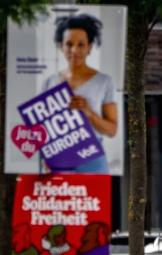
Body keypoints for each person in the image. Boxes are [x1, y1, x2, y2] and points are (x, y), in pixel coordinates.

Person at [42, 14, 117, 173]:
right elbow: (43, 128)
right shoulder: (50, 82)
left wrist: (89, 113)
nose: (74, 50)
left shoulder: (103, 81)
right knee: (60, 198)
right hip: (59, 154)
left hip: (92, 155)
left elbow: (112, 130)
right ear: (61, 46)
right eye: (69, 44)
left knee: (94, 198)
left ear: (89, 46)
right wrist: (45, 155)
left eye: (81, 44)